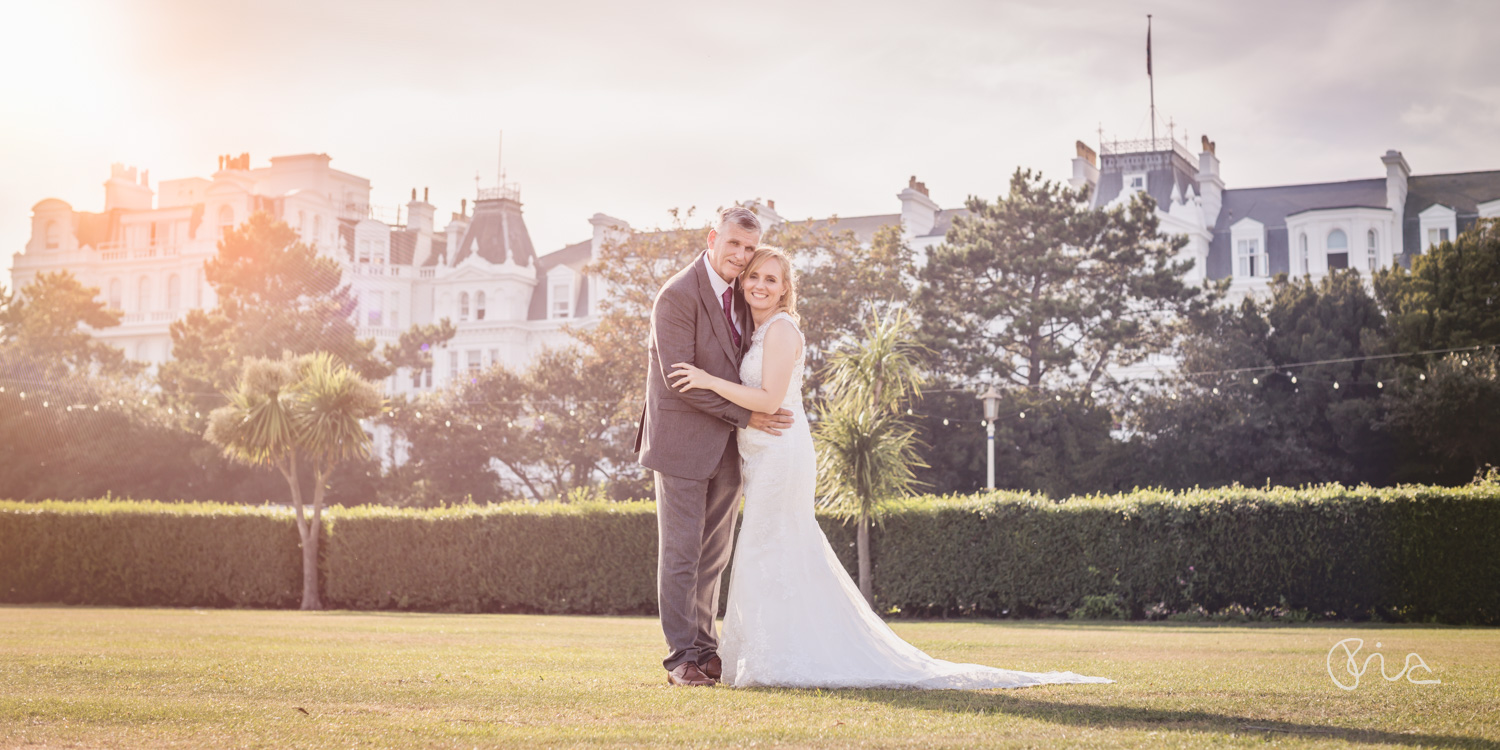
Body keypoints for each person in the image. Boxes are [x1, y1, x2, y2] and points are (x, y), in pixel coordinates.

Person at [669, 246, 1114, 689]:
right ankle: (768, 652)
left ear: (786, 288)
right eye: (753, 277)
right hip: (761, 456)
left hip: (781, 456)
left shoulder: (782, 331)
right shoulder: (759, 331)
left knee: (770, 547)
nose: (759, 285)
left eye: (771, 279)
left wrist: (708, 380)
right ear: (742, 282)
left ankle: (781, 658)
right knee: (772, 550)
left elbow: (768, 399)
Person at [634, 206, 794, 687]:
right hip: (682, 443)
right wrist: (748, 415)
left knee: (713, 555)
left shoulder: (744, 297)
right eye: (734, 245)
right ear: (712, 239)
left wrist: (745, 421)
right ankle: (681, 658)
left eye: (750, 247)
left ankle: (706, 649)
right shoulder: (677, 295)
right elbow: (680, 380)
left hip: (728, 447)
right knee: (681, 553)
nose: (742, 256)